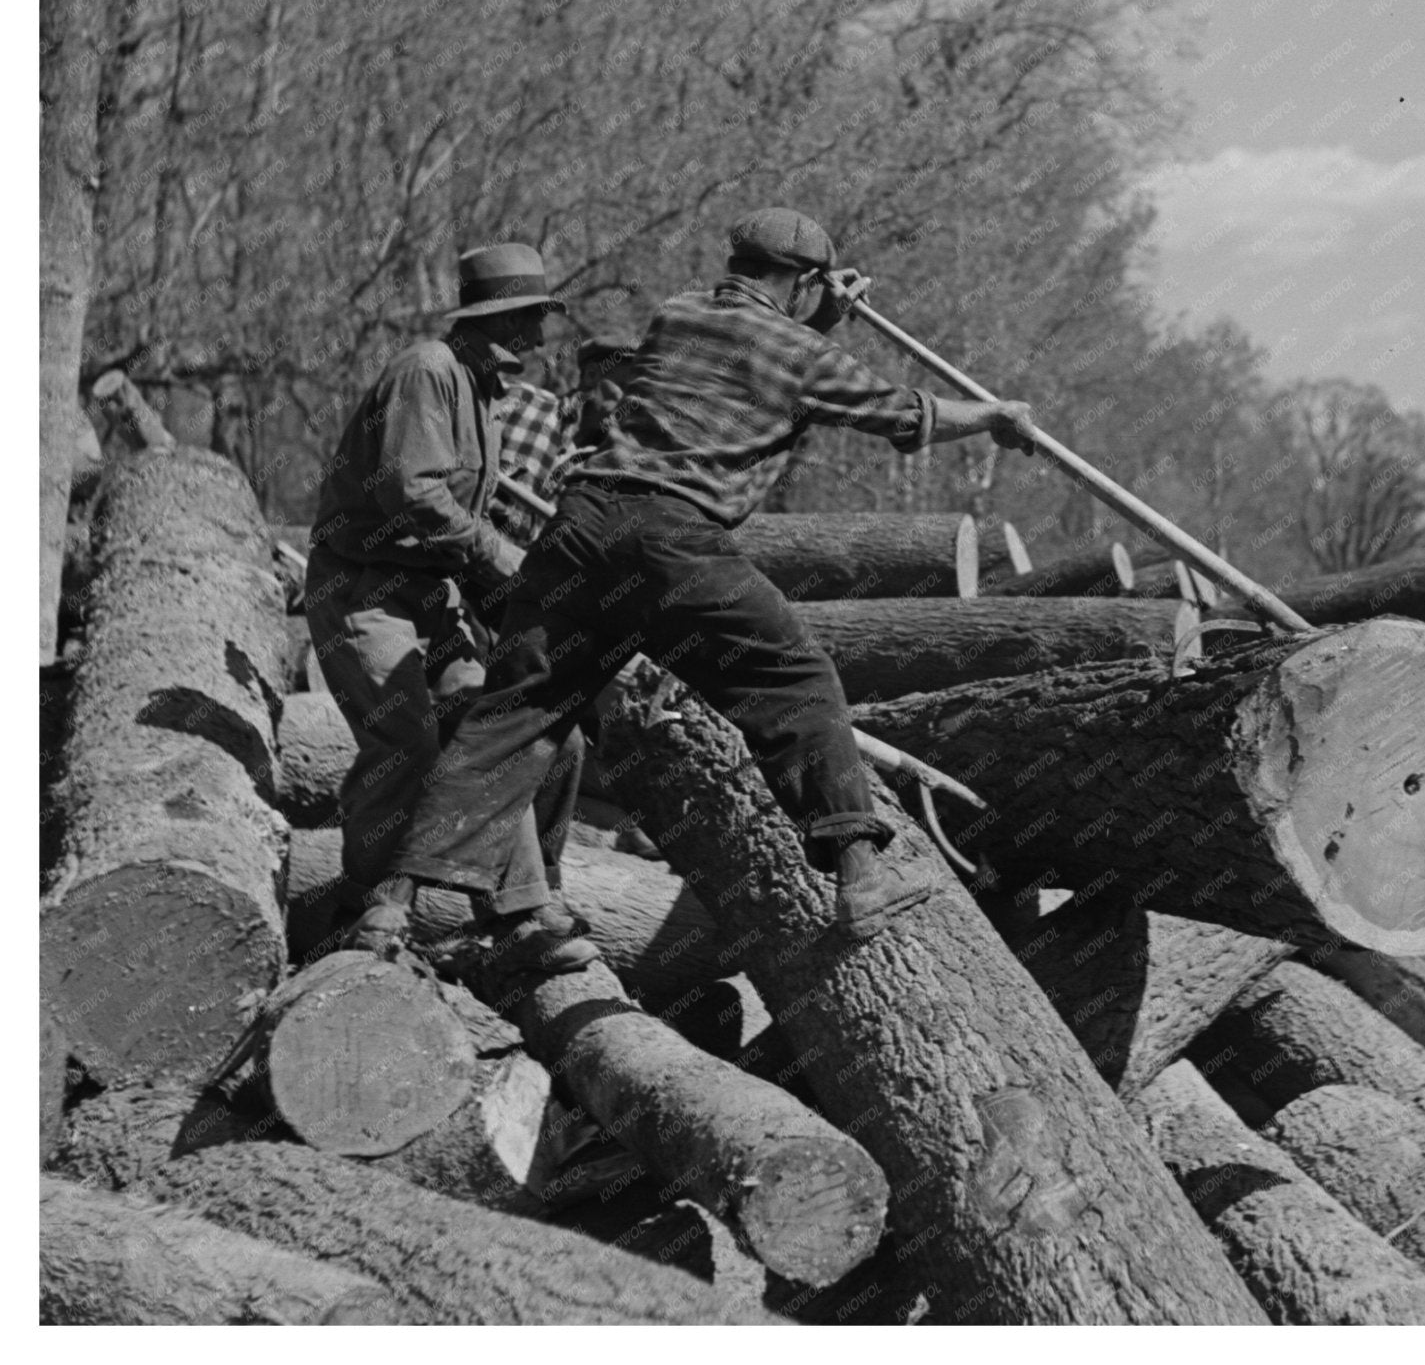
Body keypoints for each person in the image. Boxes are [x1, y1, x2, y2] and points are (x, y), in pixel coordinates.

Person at [355, 207, 1035, 963]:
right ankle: (860, 875)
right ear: (803, 280)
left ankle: (391, 904)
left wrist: (819, 314)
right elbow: (905, 414)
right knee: (794, 679)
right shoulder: (800, 351)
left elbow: (750, 365)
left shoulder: (677, 315)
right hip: (672, 542)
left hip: (581, 528)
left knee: (513, 714)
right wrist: (995, 416)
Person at [307, 243, 597, 975]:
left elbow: (461, 519)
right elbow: (412, 492)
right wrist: (498, 555)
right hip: (367, 590)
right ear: (493, 319)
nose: (537, 335)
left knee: (515, 733)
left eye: (538, 318)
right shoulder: (428, 371)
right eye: (527, 317)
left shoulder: (485, 395)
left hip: (435, 596)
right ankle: (366, 911)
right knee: (406, 742)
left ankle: (523, 910)